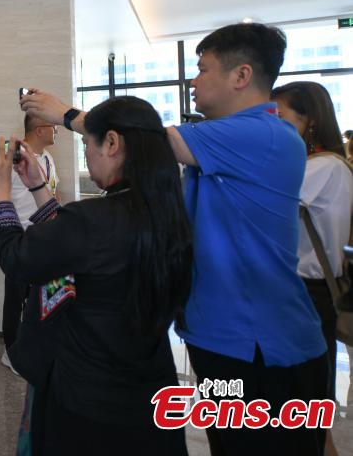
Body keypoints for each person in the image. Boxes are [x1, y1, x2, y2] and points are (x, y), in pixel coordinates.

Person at [20, 23, 329, 455]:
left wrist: (65, 114)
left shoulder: (268, 136)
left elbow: (145, 141)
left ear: (241, 76)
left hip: (263, 347)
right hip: (222, 339)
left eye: (203, 69)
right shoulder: (220, 141)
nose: (194, 81)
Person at [0, 96, 192, 455]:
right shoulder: (166, 211)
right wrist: (38, 187)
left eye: (86, 144)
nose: (86, 155)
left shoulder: (96, 219)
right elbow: (74, 244)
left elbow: (18, 259)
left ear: (111, 143)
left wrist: (0, 195)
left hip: (87, 401)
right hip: (148, 394)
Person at [273, 82, 353, 456]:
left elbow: (264, 197)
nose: (272, 125)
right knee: (306, 407)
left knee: (305, 406)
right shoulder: (322, 165)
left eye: (280, 116)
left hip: (307, 293)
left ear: (311, 121)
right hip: (304, 292)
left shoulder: (324, 167)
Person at [1, 115, 59, 373]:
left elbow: (52, 192)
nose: (56, 131)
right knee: (15, 300)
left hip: (44, 238)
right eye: (53, 127)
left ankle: (31, 349)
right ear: (39, 129)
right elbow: (0, 193)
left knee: (37, 299)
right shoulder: (15, 156)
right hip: (21, 239)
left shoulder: (48, 158)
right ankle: (11, 353)